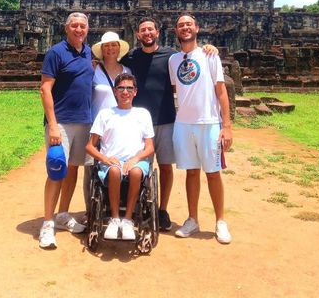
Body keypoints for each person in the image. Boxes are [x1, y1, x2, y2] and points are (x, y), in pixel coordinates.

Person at [122, 17, 217, 232]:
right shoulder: (131, 57)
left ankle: (162, 209)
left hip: (166, 119)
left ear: (158, 32)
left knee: (165, 167)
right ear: (137, 35)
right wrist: (94, 61)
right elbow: (110, 59)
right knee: (140, 167)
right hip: (139, 122)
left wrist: (209, 48)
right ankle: (139, 206)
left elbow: (189, 66)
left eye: (150, 29)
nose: (147, 33)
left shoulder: (171, 57)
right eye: (143, 30)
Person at [168, 14, 233, 244]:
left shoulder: (209, 55)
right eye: (180, 25)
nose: (185, 28)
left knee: (213, 173)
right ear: (176, 31)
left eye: (189, 24)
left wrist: (226, 125)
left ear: (197, 28)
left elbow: (221, 91)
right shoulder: (173, 60)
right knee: (191, 172)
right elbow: (177, 89)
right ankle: (192, 219)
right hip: (183, 123)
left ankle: (220, 221)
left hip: (209, 123)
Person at [39, 12, 92, 250]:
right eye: (75, 26)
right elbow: (45, 89)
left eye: (82, 26)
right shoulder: (56, 53)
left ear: (87, 29)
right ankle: (48, 223)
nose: (79, 29)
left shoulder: (91, 53)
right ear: (66, 28)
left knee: (73, 169)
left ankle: (63, 214)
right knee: (56, 169)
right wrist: (52, 124)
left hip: (84, 121)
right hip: (60, 122)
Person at [85, 73, 155, 241]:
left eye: (129, 88)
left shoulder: (143, 114)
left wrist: (135, 159)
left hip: (136, 160)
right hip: (111, 162)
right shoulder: (105, 114)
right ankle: (115, 218)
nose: (125, 92)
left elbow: (150, 147)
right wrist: (104, 158)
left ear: (135, 92)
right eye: (121, 88)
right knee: (115, 171)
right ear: (115, 91)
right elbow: (89, 146)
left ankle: (128, 220)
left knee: (136, 172)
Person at [83, 31, 132, 205]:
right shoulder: (93, 69)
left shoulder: (127, 71)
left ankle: (120, 203)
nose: (110, 49)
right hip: (98, 125)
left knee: (119, 164)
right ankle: (91, 208)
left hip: (121, 125)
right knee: (91, 168)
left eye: (114, 45)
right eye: (107, 46)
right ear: (101, 50)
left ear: (119, 49)